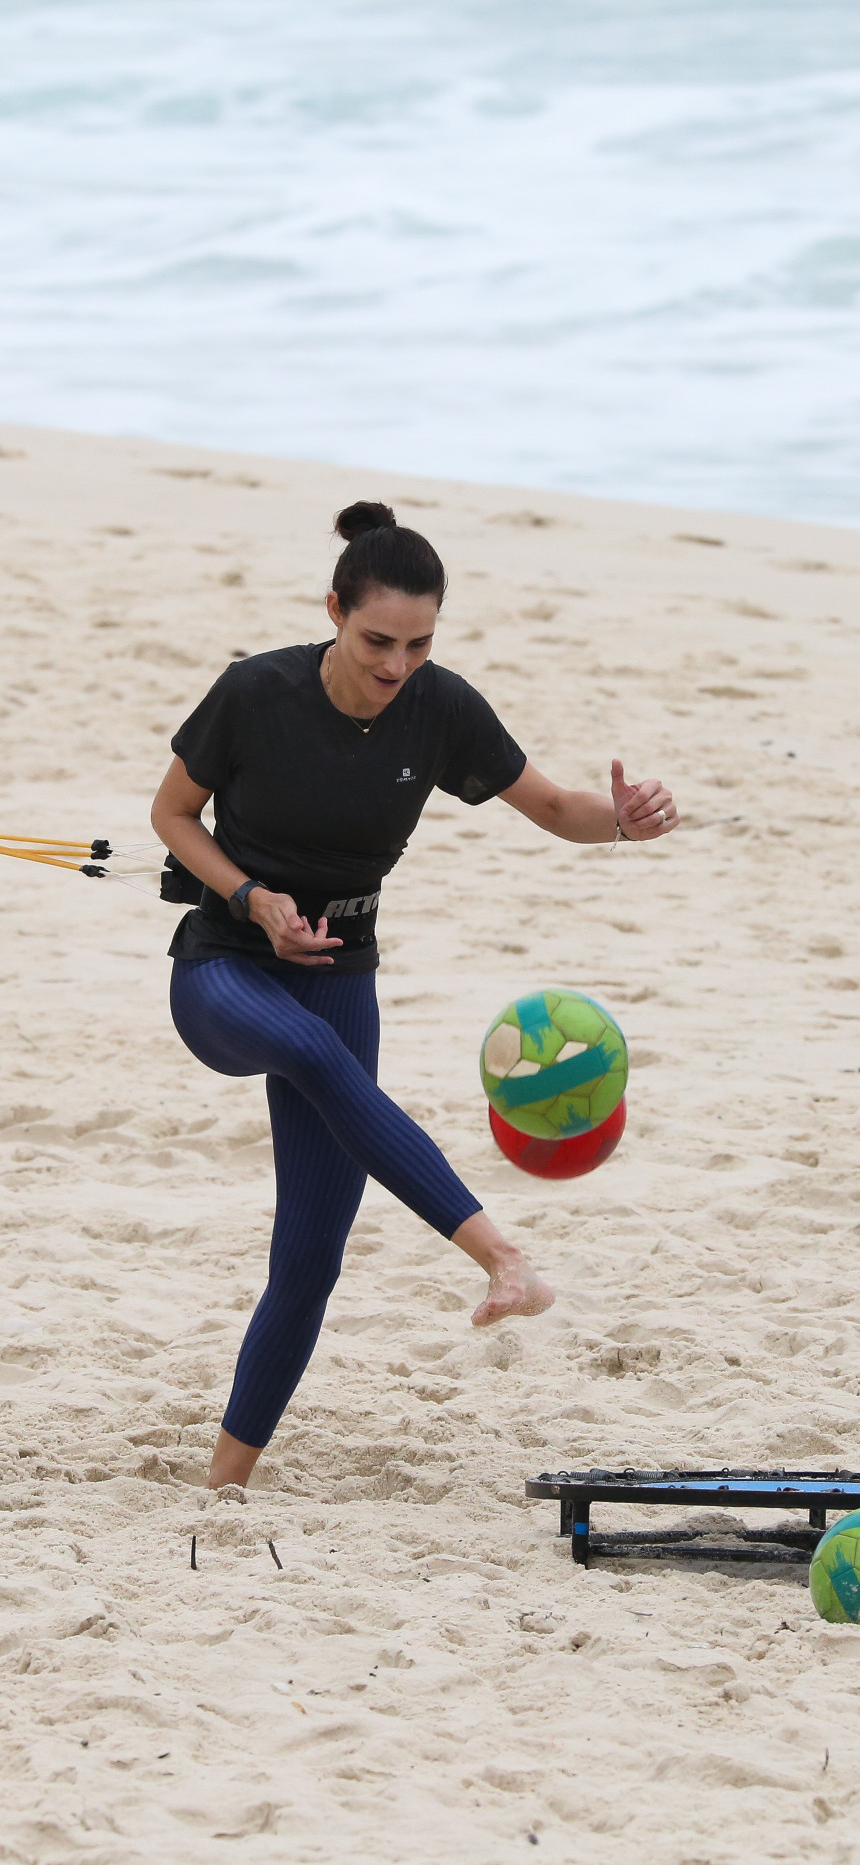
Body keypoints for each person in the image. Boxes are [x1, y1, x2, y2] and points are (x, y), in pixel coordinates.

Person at [152, 501, 678, 1492]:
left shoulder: (442, 708)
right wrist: (252, 898)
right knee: (314, 1057)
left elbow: (559, 807)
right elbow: (172, 813)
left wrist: (628, 823)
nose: (397, 664)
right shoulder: (255, 692)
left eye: (419, 642)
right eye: (376, 641)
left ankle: (224, 1481)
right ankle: (499, 1254)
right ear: (334, 614)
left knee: (311, 1252)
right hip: (225, 966)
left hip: (341, 972)